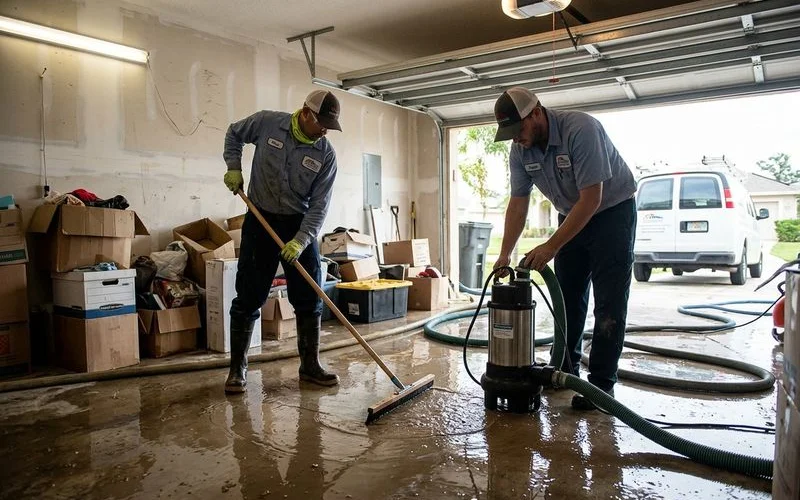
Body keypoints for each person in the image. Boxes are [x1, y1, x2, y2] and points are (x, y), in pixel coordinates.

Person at [491, 87, 637, 410]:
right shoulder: (520, 152)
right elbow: (518, 203)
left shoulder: (581, 130)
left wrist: (551, 246)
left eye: (519, 130)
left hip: (611, 214)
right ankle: (565, 372)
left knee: (609, 304)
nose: (517, 139)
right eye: (511, 134)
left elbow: (592, 198)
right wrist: (505, 254)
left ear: (536, 113)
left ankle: (601, 387)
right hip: (571, 213)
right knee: (568, 299)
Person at [222, 89, 343, 393]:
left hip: (298, 224)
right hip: (260, 218)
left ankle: (310, 366)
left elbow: (319, 206)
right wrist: (233, 167)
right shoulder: (266, 123)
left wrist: (301, 241)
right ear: (306, 113)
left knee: (309, 297)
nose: (325, 130)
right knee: (249, 296)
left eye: (330, 125)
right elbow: (234, 133)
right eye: (321, 123)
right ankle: (237, 369)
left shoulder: (325, 154)